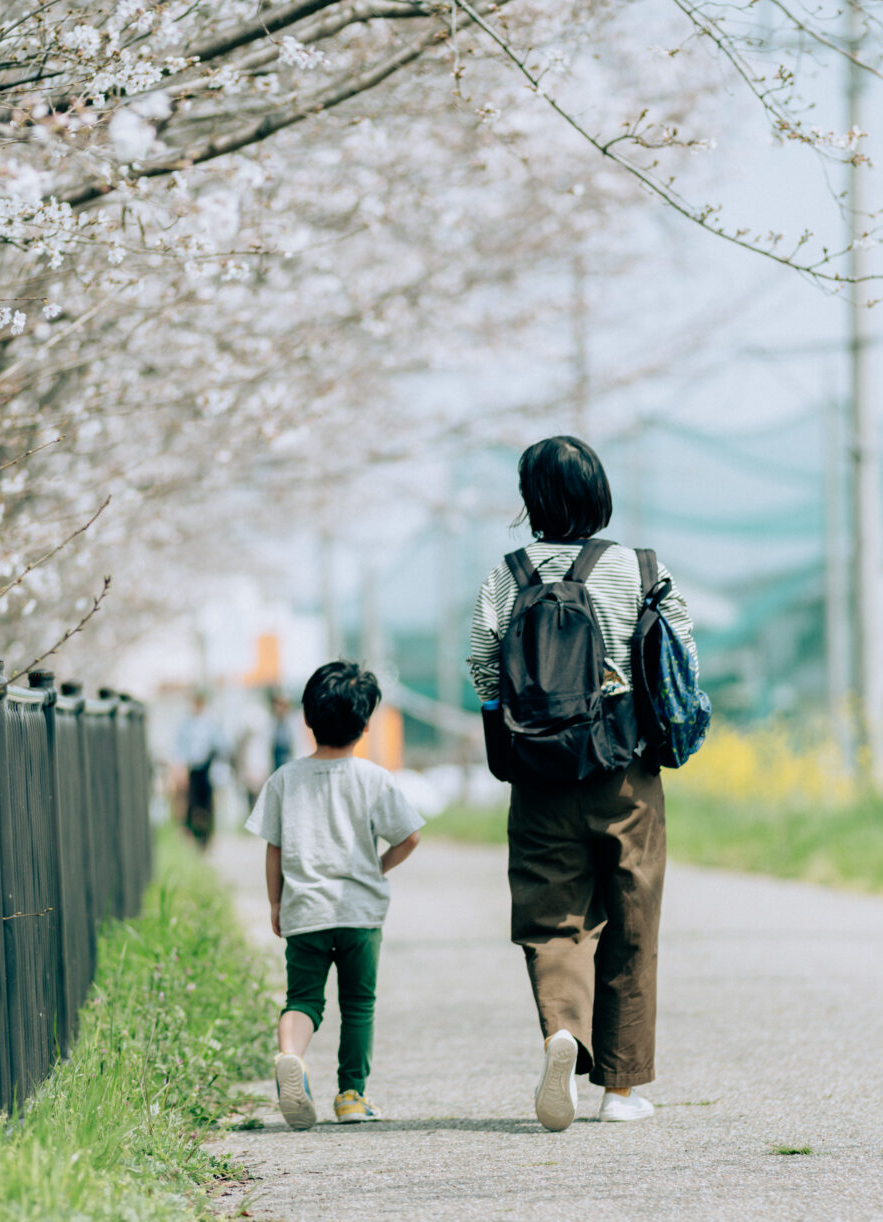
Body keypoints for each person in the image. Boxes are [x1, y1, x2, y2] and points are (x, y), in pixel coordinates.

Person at [467, 435, 696, 1130]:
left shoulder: (507, 574)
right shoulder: (638, 567)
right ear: (598, 492)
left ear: (530, 499)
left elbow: (482, 661)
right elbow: (680, 648)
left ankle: (563, 1030)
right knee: (633, 915)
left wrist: (517, 720)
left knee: (552, 917)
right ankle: (621, 1090)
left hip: (539, 771)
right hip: (623, 766)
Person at [245, 661, 424, 1129]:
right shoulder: (374, 778)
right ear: (365, 725)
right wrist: (376, 868)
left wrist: (276, 902)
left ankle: (291, 1057)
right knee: (358, 1005)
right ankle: (350, 1096)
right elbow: (409, 836)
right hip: (359, 913)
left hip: (305, 911)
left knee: (303, 999)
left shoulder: (285, 779)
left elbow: (274, 849)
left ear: (307, 718)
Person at [174, 689, 225, 851]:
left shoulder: (211, 722)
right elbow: (179, 749)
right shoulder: (186, 723)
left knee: (207, 804)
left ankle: (207, 836)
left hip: (207, 769)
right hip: (192, 769)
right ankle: (193, 835)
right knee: (192, 804)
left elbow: (221, 745)